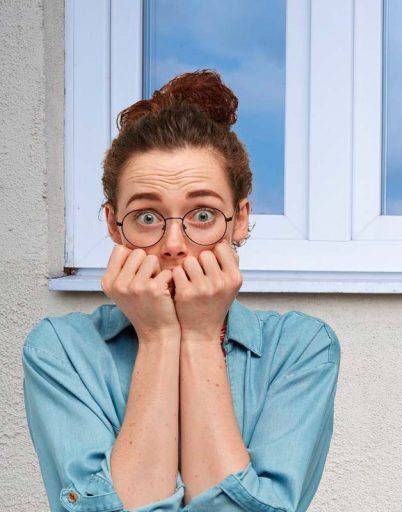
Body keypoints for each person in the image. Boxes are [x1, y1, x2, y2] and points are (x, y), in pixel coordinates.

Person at [22, 69, 341, 512]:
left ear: (241, 219)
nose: (173, 244)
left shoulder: (301, 348)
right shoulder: (60, 350)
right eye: (148, 217)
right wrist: (159, 338)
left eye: (203, 215)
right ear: (115, 225)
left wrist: (199, 336)